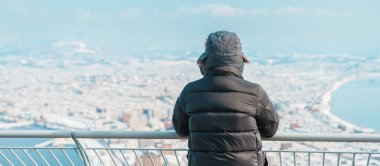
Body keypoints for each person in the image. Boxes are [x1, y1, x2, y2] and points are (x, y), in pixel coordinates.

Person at [172, 31, 279, 166]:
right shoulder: (254, 92)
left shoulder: (190, 91)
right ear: (240, 61)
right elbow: (270, 130)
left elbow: (180, 130)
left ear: (205, 60)